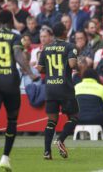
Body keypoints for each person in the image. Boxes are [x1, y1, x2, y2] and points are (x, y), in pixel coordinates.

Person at [0, 10, 38, 171]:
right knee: (12, 120)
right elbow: (17, 55)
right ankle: (5, 158)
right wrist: (30, 73)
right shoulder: (14, 37)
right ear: (10, 22)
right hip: (10, 81)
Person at [37, 22, 79, 160]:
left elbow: (39, 68)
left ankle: (46, 152)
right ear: (65, 32)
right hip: (65, 88)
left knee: (51, 121)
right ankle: (60, 140)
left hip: (50, 88)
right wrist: (78, 65)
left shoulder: (46, 48)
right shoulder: (70, 46)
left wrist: (51, 71)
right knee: (74, 117)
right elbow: (72, 64)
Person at [75, 68, 103, 138]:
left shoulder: (76, 87)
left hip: (78, 119)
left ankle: (78, 135)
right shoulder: (101, 88)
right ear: (96, 76)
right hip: (96, 119)